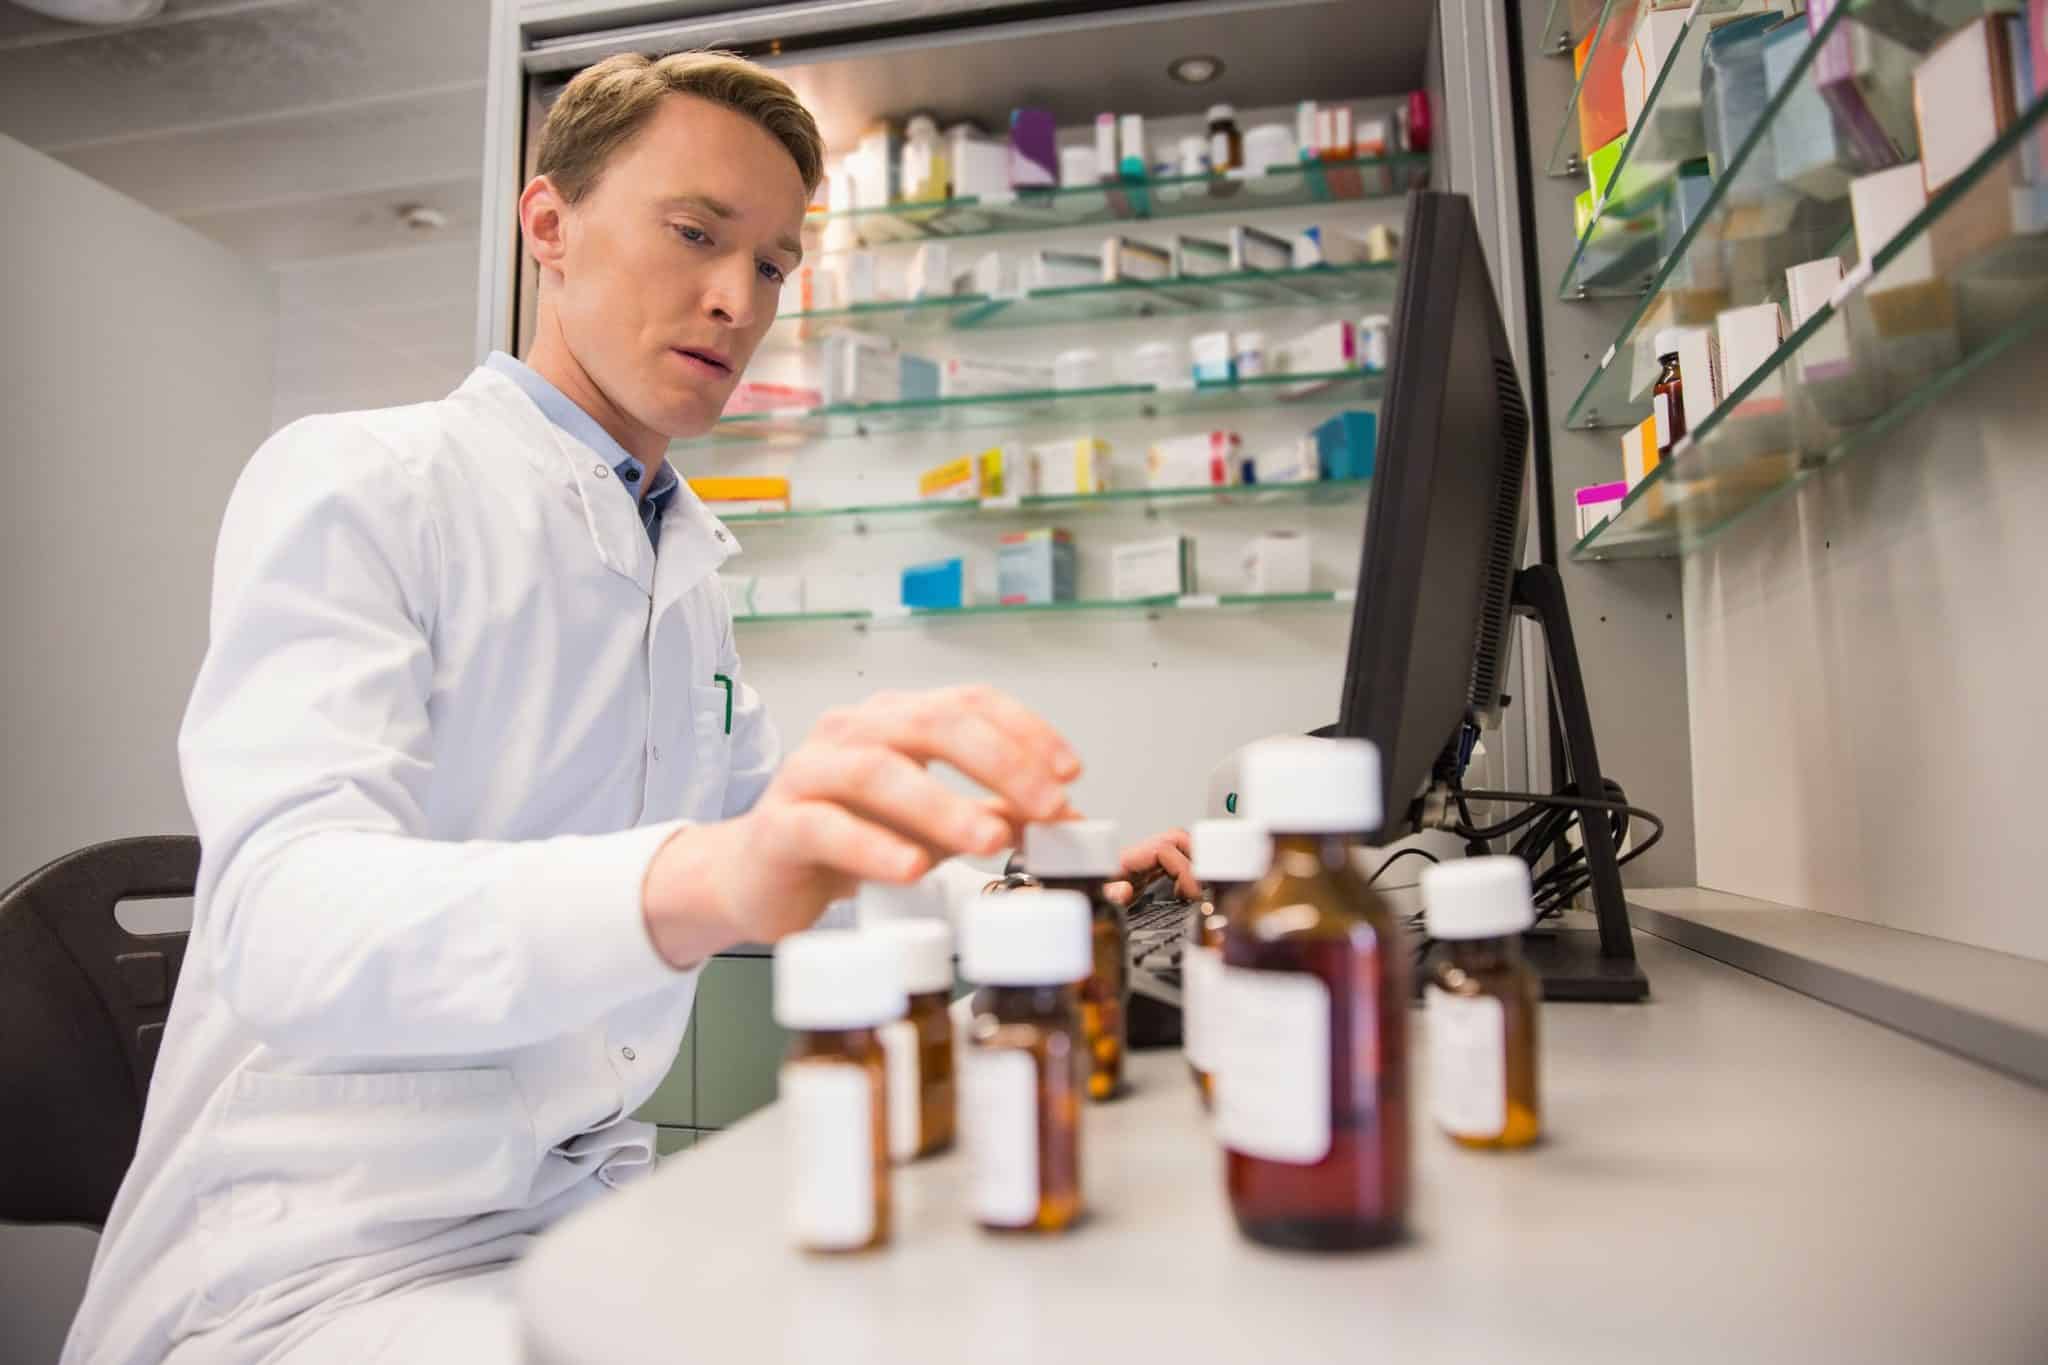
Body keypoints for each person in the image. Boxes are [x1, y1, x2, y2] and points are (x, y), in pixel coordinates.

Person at [62, 50, 1195, 1365]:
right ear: (551, 226)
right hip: (310, 1268)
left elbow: (793, 855)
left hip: (561, 1219)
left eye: (772, 265)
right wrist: (701, 875)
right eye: (697, 234)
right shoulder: (363, 483)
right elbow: (283, 924)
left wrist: (1023, 886)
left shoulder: (676, 563)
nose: (736, 298)